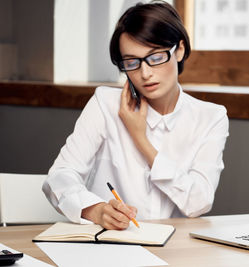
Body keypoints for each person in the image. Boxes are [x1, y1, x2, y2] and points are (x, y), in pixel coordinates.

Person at [42, 1, 229, 230]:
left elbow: (198, 203)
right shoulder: (105, 104)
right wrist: (96, 210)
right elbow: (58, 177)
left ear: (179, 50)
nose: (145, 73)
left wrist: (141, 140)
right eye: (131, 62)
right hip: (110, 247)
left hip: (175, 250)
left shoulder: (211, 117)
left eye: (156, 57)